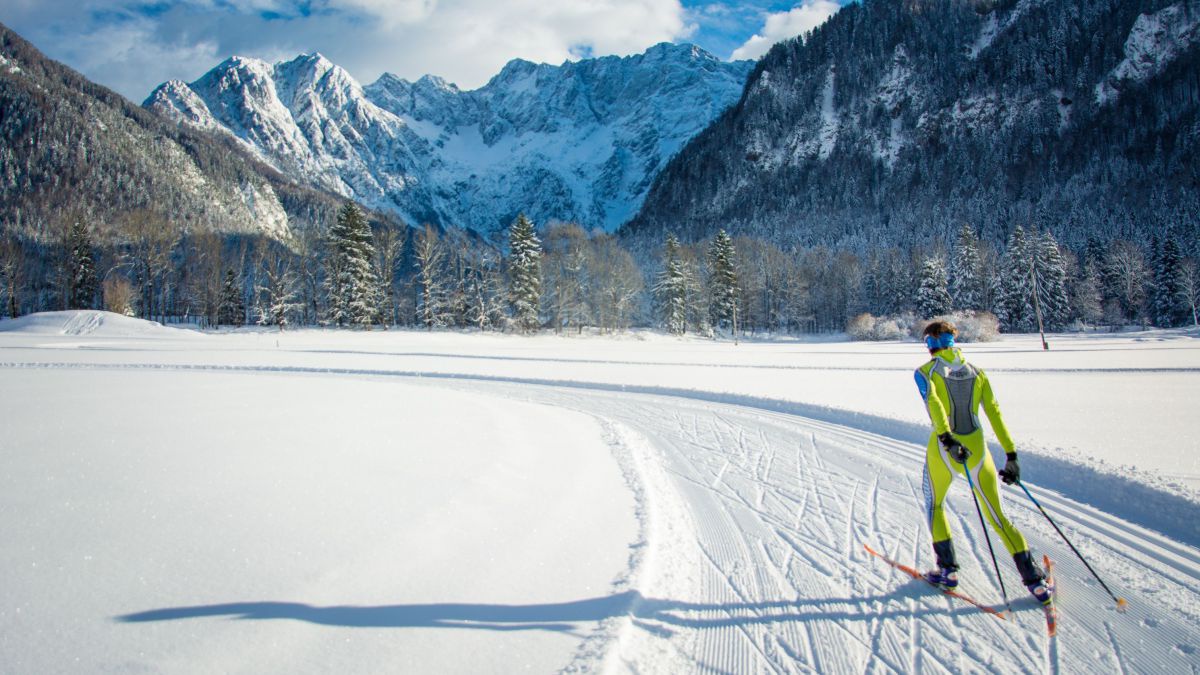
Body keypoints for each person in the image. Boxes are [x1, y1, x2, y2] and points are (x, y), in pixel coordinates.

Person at [913, 320, 1050, 606]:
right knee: (998, 518)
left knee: (935, 505)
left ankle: (947, 571)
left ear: (931, 344)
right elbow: (995, 414)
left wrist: (947, 439)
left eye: (928, 343)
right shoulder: (979, 374)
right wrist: (1011, 455)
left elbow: (935, 406)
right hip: (978, 450)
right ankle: (1035, 581)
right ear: (953, 341)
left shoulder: (924, 373)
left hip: (943, 450)